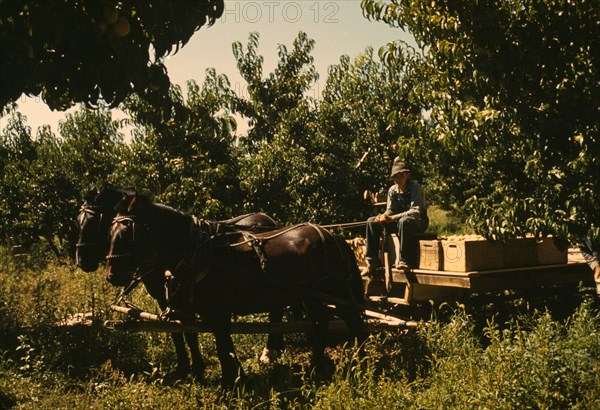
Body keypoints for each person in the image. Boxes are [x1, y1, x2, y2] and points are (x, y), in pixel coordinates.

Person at [364, 159, 428, 275]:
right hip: (398, 222)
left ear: (406, 175)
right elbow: (391, 209)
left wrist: (392, 218)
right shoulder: (392, 190)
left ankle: (404, 261)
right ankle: (372, 260)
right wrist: (383, 216)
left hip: (417, 222)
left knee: (404, 222)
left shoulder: (415, 188)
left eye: (400, 176)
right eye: (395, 177)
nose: (397, 180)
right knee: (371, 221)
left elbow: (415, 211)